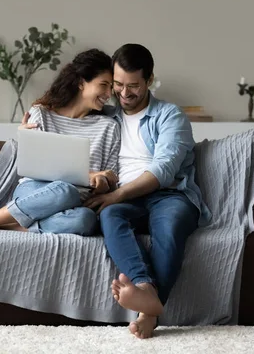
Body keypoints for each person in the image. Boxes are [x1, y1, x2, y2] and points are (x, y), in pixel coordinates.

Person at [83, 43, 211, 339]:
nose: (124, 93)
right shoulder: (106, 118)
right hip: (127, 199)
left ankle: (148, 312)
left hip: (169, 194)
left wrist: (116, 194)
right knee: (110, 216)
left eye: (134, 86)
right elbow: (64, 119)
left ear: (150, 80)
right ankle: (145, 289)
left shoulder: (171, 116)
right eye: (118, 85)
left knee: (169, 225)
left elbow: (162, 172)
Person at [0, 48, 121, 235]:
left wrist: (102, 181)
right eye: (104, 85)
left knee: (85, 220)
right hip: (35, 191)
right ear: (81, 83)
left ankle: (13, 224)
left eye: (111, 87)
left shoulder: (109, 127)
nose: (108, 93)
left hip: (77, 203)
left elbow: (110, 182)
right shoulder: (41, 114)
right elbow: (36, 166)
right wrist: (88, 174)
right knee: (66, 190)